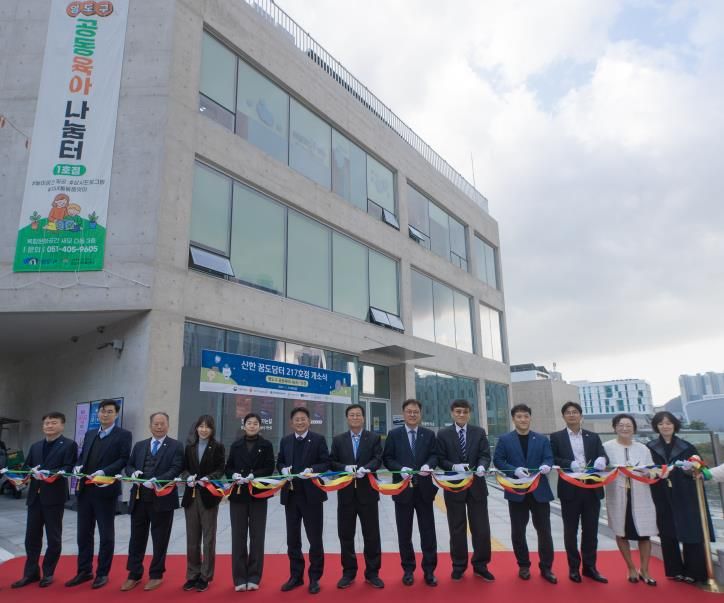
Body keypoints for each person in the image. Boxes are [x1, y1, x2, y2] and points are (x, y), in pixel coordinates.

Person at [66, 399, 132, 589]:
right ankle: (84, 570)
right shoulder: (90, 434)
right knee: (83, 533)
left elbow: (123, 459)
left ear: (116, 414)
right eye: (102, 411)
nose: (105, 414)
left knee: (106, 534)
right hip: (85, 490)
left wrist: (104, 472)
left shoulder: (123, 435)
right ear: (98, 413)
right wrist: (78, 466)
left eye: (109, 411)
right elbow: (82, 456)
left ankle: (102, 573)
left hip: (105, 490)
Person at [11, 412, 78, 588]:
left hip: (54, 497)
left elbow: (68, 467)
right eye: (46, 423)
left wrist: (49, 473)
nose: (49, 426)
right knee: (31, 537)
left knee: (53, 537)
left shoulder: (69, 445)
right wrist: (21, 476)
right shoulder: (36, 446)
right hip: (35, 496)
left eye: (53, 423)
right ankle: (30, 573)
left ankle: (48, 573)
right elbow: (27, 467)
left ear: (62, 425)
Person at [647, 411, 714, 584]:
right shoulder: (650, 447)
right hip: (661, 493)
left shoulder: (687, 447)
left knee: (691, 530)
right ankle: (675, 570)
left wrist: (690, 469)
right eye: (661, 423)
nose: (665, 426)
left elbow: (700, 469)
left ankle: (695, 572)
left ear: (675, 425)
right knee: (667, 531)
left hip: (686, 493)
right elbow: (647, 469)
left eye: (668, 423)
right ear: (656, 427)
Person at [493, 403, 557, 584]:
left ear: (530, 418)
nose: (523, 419)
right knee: (518, 531)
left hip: (539, 491)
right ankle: (523, 565)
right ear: (513, 419)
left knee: (544, 531)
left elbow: (549, 458)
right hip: (517, 491)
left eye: (526, 416)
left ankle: (546, 567)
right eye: (519, 416)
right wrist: (514, 470)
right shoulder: (505, 439)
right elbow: (498, 460)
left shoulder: (542, 439)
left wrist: (547, 465)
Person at [122, 412, 184, 592]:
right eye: (156, 424)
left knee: (160, 539)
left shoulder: (176, 446)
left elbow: (176, 468)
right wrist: (132, 473)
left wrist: (158, 481)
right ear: (150, 426)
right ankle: (134, 574)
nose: (159, 427)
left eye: (162, 423)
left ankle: (156, 574)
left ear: (168, 425)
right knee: (136, 538)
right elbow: (129, 465)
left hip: (162, 499)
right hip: (139, 498)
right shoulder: (140, 445)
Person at [550, 401, 608, 584]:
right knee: (570, 531)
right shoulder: (556, 437)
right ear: (563, 416)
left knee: (590, 531)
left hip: (591, 489)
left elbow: (603, 455)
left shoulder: (593, 436)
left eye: (575, 412)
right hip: (570, 489)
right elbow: (553, 458)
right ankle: (573, 568)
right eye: (568, 412)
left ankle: (590, 567)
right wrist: (569, 464)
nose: (572, 415)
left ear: (581, 416)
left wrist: (602, 459)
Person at [435, 399, 494, 582]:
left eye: (465, 411)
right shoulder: (443, 434)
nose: (461, 414)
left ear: (469, 414)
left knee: (481, 529)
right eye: (458, 411)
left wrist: (483, 466)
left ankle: (481, 565)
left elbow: (485, 455)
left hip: (477, 487)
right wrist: (454, 466)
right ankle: (459, 566)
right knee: (457, 528)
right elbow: (440, 459)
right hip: (454, 487)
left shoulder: (479, 432)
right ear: (452, 413)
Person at [382, 399, 439, 587]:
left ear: (420, 414)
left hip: (424, 491)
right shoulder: (394, 434)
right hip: (403, 490)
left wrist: (428, 465)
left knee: (428, 532)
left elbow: (435, 455)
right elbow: (387, 458)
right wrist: (400, 469)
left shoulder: (428, 434)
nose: (412, 414)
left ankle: (429, 570)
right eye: (409, 411)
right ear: (403, 413)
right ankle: (408, 569)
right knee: (404, 533)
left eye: (415, 412)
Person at [329, 404, 384, 589]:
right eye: (351, 415)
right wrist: (344, 468)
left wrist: (367, 468)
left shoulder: (373, 438)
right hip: (346, 495)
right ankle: (348, 572)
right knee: (346, 535)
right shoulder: (338, 440)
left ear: (363, 417)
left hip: (368, 494)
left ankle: (372, 573)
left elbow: (378, 459)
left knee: (372, 535)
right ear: (347, 418)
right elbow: (332, 461)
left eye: (358, 415)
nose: (355, 417)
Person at [276, 406, 330, 594]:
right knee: (293, 539)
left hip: (312, 497)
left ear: (309, 421)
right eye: (296, 419)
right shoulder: (285, 441)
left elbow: (326, 462)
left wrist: (313, 470)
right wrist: (282, 469)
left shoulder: (318, 439)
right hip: (291, 495)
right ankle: (296, 576)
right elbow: (280, 461)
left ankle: (314, 577)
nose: (300, 422)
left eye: (303, 419)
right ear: (291, 423)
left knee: (315, 538)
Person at [603, 413, 658, 585]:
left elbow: (652, 470)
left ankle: (645, 570)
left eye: (628, 425)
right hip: (618, 493)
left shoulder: (643, 448)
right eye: (621, 425)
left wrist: (648, 472)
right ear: (615, 428)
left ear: (634, 428)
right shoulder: (607, 447)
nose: (624, 428)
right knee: (622, 532)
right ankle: (631, 568)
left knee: (644, 534)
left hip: (640, 494)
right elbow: (602, 469)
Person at [225, 413, 275, 591]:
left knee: (257, 536)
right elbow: (228, 467)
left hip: (258, 494)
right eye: (249, 423)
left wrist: (256, 475)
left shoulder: (266, 445)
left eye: (255, 423)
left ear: (260, 426)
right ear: (244, 425)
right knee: (238, 536)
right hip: (238, 495)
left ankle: (254, 576)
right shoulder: (236, 445)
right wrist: (233, 475)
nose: (252, 426)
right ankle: (239, 577)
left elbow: (270, 467)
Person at [181, 415, 225, 592]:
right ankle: (192, 574)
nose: (204, 429)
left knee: (208, 539)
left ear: (212, 429)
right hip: (191, 495)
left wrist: (209, 478)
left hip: (208, 496)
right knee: (192, 539)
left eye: (207, 427)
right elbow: (183, 468)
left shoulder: (218, 447)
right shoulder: (189, 447)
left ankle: (205, 576)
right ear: (196, 428)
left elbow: (221, 469)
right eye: (201, 426)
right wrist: (187, 477)